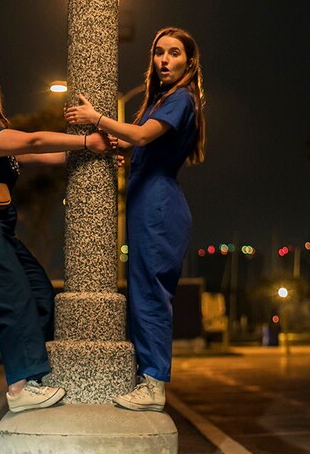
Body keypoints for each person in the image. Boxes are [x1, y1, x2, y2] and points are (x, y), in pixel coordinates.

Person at [0, 65, 112, 413]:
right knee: (12, 296)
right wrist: (88, 139)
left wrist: (98, 151)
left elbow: (48, 154)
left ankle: (37, 375)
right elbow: (32, 140)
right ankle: (19, 388)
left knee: (41, 293)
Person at [65, 27, 206, 411]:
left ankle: (154, 383)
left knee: (151, 296)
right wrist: (116, 141)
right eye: (158, 52)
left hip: (159, 205)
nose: (164, 60)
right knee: (143, 293)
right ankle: (148, 376)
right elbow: (137, 141)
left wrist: (98, 118)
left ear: (188, 61)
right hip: (148, 201)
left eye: (174, 53)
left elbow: (142, 137)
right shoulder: (161, 99)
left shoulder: (181, 99)